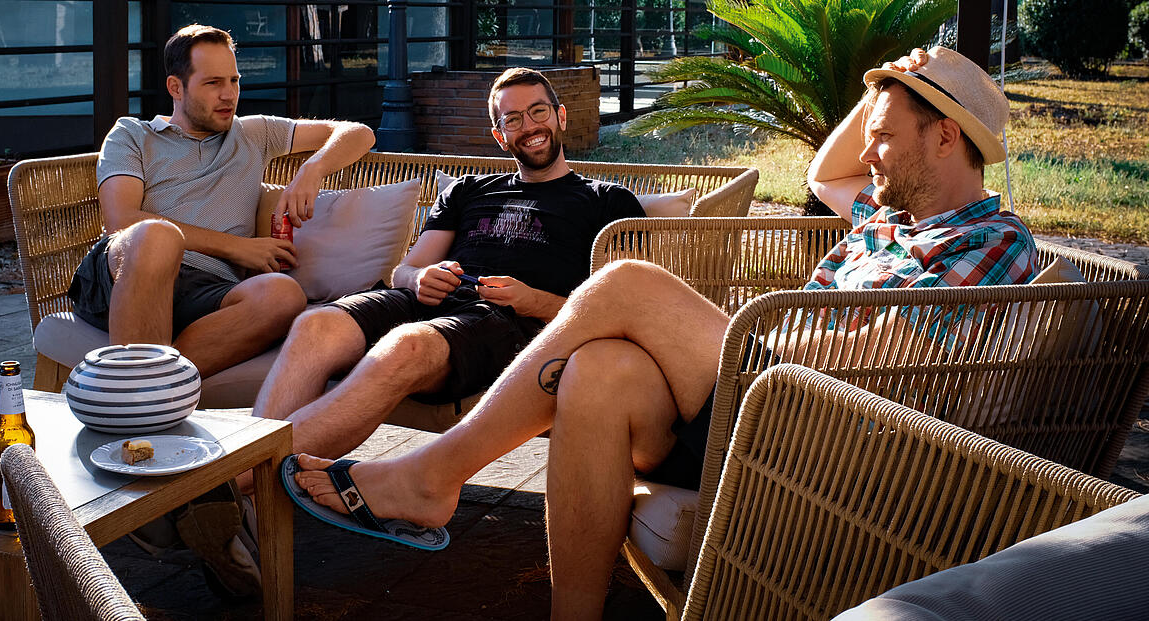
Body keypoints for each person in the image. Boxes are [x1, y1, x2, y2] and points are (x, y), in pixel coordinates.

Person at [288, 46, 1037, 620]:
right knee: (599, 368)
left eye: (887, 137)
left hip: (827, 418)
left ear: (944, 138)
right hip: (766, 392)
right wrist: (896, 81)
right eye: (872, 137)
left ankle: (432, 474)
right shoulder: (884, 214)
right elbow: (824, 168)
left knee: (625, 285)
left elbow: (889, 357)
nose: (868, 156)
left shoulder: (989, 239)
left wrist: (737, 343)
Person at [249, 66, 646, 466]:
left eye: (538, 112)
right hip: (427, 306)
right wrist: (420, 277)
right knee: (314, 325)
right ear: (499, 135)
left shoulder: (608, 201)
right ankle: (257, 489)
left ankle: (239, 479)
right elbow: (403, 272)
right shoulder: (468, 190)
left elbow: (617, 312)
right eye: (512, 119)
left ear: (560, 116)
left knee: (408, 345)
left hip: (505, 324)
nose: (529, 126)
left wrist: (532, 301)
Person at [67, 23, 375, 379]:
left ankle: (152, 386)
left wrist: (313, 168)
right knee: (156, 236)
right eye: (213, 83)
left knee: (283, 294)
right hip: (129, 272)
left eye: (234, 81)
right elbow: (121, 220)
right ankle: (142, 390)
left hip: (209, 293)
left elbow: (358, 132)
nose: (229, 95)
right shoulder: (133, 135)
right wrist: (237, 248)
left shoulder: (255, 133)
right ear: (176, 88)